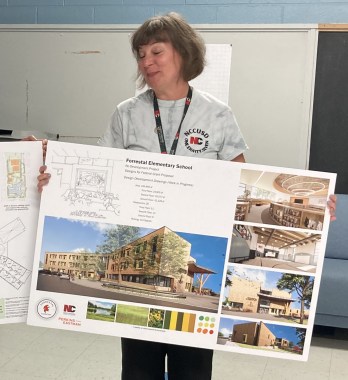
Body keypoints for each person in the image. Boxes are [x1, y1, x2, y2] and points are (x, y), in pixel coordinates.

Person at [36, 12, 336, 380]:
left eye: (156, 52)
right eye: (141, 54)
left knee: (192, 371)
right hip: (144, 239)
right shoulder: (127, 114)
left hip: (192, 244)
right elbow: (100, 174)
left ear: (183, 53)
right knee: (138, 368)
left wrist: (313, 206)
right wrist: (55, 172)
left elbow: (240, 183)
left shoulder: (217, 115)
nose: (146, 62)